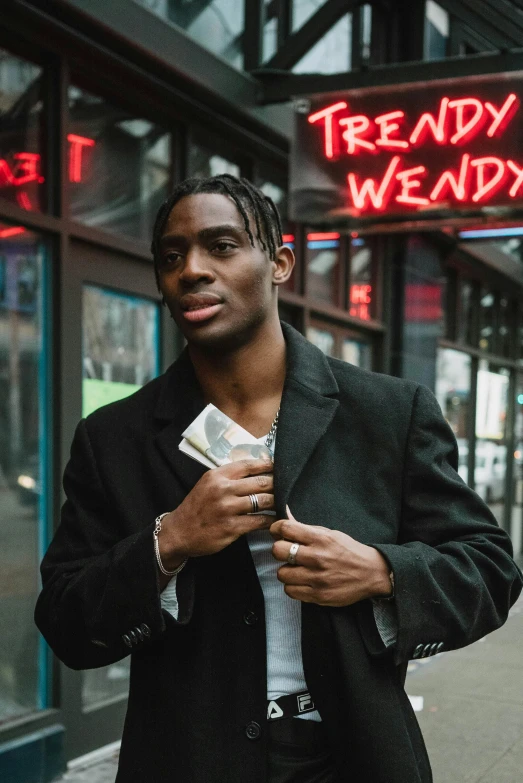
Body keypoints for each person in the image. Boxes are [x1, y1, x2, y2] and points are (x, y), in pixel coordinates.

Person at [35, 174, 522, 783]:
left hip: (354, 753)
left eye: (221, 246)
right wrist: (169, 540)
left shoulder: (387, 413)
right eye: (171, 256)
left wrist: (381, 571)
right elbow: (65, 623)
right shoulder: (115, 437)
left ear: (280, 263)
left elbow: (490, 569)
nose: (192, 269)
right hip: (189, 759)